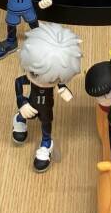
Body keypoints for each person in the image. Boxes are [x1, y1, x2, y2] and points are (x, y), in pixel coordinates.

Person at [13, 22, 83, 172]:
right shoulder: (28, 78)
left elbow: (61, 83)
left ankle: (46, 144)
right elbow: (18, 83)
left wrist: (62, 88)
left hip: (46, 108)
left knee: (46, 123)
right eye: (34, 74)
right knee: (26, 114)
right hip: (30, 103)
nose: (41, 82)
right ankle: (19, 119)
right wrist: (22, 103)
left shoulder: (57, 79)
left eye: (51, 79)